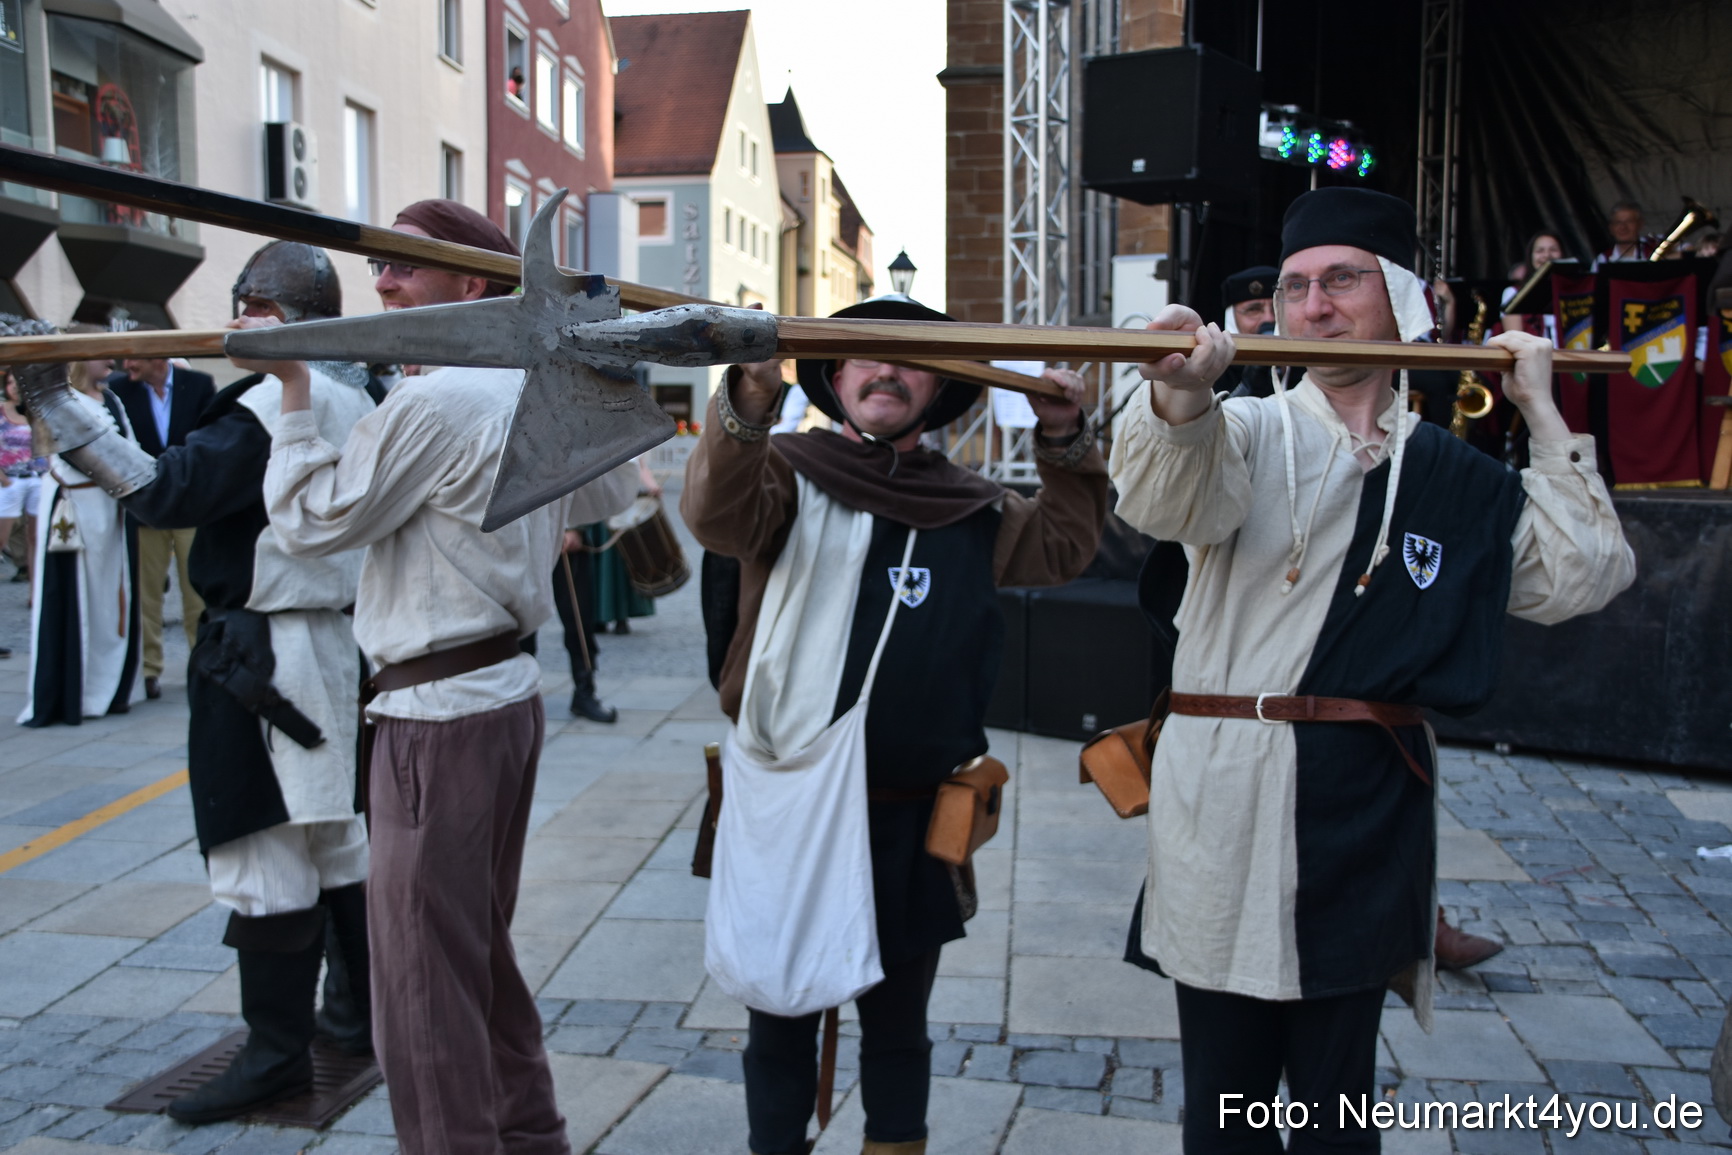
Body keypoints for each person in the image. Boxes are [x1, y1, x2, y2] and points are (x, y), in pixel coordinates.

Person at [1109, 186, 1635, 1154]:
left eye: (1341, 280)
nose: (1313, 304)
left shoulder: (1455, 477)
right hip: (1222, 801)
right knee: (1222, 1107)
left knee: (1333, 1108)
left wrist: (1541, 410)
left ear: (1404, 296)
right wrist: (1179, 395)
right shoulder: (1248, 431)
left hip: (1362, 813)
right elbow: (1165, 499)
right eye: (1297, 284)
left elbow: (1583, 576)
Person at [683, 295, 1108, 1155]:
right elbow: (714, 515)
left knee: (899, 1024)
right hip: (789, 809)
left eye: (911, 360)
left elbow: (1066, 544)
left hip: (907, 813)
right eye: (866, 356)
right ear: (836, 378)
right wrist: (750, 396)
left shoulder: (973, 506)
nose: (886, 371)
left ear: (938, 386)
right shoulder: (785, 476)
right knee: (779, 1020)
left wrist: (1063, 437)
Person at [259, 198, 632, 1155]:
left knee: (422, 993)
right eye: (380, 267)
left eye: (402, 268)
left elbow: (309, 522)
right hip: (500, 703)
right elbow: (614, 493)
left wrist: (294, 388)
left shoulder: (438, 399)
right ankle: (530, 1135)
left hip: (438, 713)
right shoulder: (522, 391)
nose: (381, 284)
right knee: (474, 955)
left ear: (472, 287)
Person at [74, 243, 375, 1123]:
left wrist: (62, 404)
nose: (237, 315)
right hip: (323, 646)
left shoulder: (274, 401)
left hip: (266, 652)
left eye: (251, 304)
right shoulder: (358, 394)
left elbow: (167, 494)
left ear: (276, 317)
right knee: (332, 844)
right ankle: (353, 1019)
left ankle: (279, 1056)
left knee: (265, 848)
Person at [10, 331, 143, 726]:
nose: (112, 362)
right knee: (75, 597)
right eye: (102, 354)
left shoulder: (113, 399)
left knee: (110, 599)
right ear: (81, 358)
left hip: (111, 509)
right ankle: (73, 692)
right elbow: (72, 458)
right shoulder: (56, 402)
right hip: (75, 509)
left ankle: (110, 687)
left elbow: (131, 446)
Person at [110, 350, 215, 699]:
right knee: (146, 593)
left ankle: (201, 665)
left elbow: (210, 437)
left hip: (189, 505)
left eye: (132, 358)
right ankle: (149, 669)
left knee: (197, 590)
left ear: (156, 359)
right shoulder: (120, 390)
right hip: (145, 509)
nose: (126, 365)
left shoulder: (198, 384)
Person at [1, 367, 43, 591]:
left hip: (38, 478)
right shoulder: (1, 411)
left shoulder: (37, 411)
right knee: (3, 534)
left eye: (19, 384)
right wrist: (4, 480)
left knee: (36, 538)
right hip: (11, 479)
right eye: (11, 384)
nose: (15, 388)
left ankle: (35, 592)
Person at [1217, 265, 1278, 399]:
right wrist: (1248, 387)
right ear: (1232, 318)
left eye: (1276, 308)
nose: (1269, 319)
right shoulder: (1212, 369)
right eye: (1254, 310)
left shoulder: (1307, 367)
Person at [1592, 201, 1661, 268]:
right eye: (1617, 222)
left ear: (1640, 224)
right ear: (1611, 228)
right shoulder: (1602, 260)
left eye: (1629, 221)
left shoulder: (1657, 251)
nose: (1623, 227)